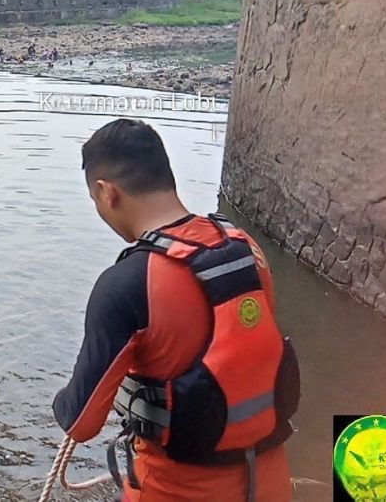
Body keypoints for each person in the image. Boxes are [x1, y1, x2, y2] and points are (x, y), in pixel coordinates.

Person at [52, 119, 299, 501]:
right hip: (269, 484)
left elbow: (81, 422)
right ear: (166, 174)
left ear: (106, 193)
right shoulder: (245, 248)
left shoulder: (126, 284)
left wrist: (62, 399)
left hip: (175, 491)